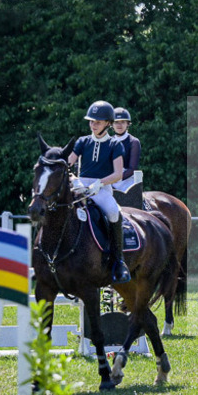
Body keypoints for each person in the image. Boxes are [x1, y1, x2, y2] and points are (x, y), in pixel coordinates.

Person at [66, 100, 132, 284]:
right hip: (79, 187)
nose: (93, 125)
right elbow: (67, 163)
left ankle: (119, 261)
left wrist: (99, 183)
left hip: (101, 188)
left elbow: (118, 174)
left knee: (113, 211)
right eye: (91, 121)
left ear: (108, 124)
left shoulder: (114, 145)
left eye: (98, 122)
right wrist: (73, 180)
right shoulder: (82, 141)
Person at [111, 107, 141, 191]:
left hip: (127, 182)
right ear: (112, 124)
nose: (119, 125)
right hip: (108, 181)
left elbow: (132, 168)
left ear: (127, 124)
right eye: (116, 122)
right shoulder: (107, 142)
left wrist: (114, 180)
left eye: (122, 122)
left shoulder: (134, 142)